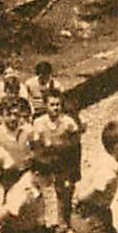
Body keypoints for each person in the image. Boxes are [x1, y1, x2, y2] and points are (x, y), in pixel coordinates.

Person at [30, 89, 82, 223]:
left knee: (63, 190)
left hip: (62, 158)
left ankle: (63, 219)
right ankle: (45, 221)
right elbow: (35, 146)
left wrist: (75, 167)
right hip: (45, 159)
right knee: (44, 191)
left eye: (58, 104)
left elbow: (76, 143)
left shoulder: (67, 121)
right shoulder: (39, 123)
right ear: (45, 105)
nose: (55, 108)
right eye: (52, 105)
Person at [0, 96, 34, 190]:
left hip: (24, 175)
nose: (13, 118)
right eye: (9, 115)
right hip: (4, 177)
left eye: (16, 115)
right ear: (1, 115)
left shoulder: (27, 131)